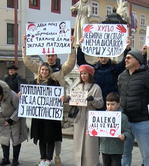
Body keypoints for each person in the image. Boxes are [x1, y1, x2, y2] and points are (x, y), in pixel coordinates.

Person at [22, 35, 76, 166]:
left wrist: (71, 46)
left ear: (56, 56)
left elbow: (71, 61)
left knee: (54, 135)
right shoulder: (39, 70)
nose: (50, 57)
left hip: (55, 108)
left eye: (52, 55)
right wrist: (25, 45)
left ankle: (56, 155)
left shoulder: (61, 70)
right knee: (43, 134)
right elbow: (28, 61)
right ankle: (44, 157)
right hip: (41, 111)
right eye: (48, 55)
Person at [118, 49, 149, 166]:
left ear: (137, 60)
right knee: (124, 153)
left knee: (146, 153)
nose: (125, 60)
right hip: (125, 122)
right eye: (125, 58)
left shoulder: (148, 76)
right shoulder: (122, 76)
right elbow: (121, 96)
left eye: (129, 58)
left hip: (142, 122)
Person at [22, 62, 63, 166]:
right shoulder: (34, 82)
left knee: (50, 137)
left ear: (49, 71)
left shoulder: (54, 82)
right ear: (39, 71)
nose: (44, 72)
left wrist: (62, 98)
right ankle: (43, 158)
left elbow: (59, 95)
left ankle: (49, 159)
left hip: (50, 116)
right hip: (38, 115)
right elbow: (29, 96)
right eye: (42, 69)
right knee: (41, 137)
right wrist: (22, 95)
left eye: (46, 70)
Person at [77, 38, 131, 110]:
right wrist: (80, 48)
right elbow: (81, 63)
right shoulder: (93, 69)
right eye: (101, 57)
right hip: (96, 101)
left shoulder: (115, 68)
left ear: (109, 56)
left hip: (111, 102)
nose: (103, 59)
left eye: (105, 56)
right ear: (98, 57)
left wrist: (127, 49)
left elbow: (125, 63)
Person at [0, 80, 27, 166]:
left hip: (14, 121)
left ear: (2, 95)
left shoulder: (12, 95)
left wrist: (12, 119)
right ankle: (6, 158)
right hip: (1, 122)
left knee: (16, 140)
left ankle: (15, 159)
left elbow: (19, 108)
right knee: (3, 140)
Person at [73, 64, 104, 166]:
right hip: (79, 116)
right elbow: (73, 99)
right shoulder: (78, 87)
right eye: (81, 73)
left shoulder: (96, 88)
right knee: (78, 142)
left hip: (91, 117)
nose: (83, 76)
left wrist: (93, 100)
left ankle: (91, 163)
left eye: (85, 73)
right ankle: (78, 162)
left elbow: (100, 104)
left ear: (90, 74)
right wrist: (70, 100)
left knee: (90, 144)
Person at [99, 92, 131, 166]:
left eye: (112, 104)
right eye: (108, 104)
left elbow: (128, 132)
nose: (110, 107)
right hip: (104, 147)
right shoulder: (102, 116)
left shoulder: (123, 117)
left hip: (116, 149)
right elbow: (97, 128)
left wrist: (124, 136)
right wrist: (91, 131)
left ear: (118, 105)